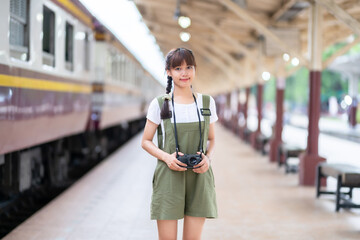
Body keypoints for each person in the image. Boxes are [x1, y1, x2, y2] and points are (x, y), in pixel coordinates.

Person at [141, 47, 218, 240]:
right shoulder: (160, 104)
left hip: (199, 176)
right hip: (169, 175)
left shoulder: (207, 103)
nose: (184, 73)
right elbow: (146, 141)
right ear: (168, 72)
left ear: (195, 69)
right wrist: (167, 158)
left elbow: (212, 138)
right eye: (178, 68)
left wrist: (207, 159)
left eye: (189, 67)